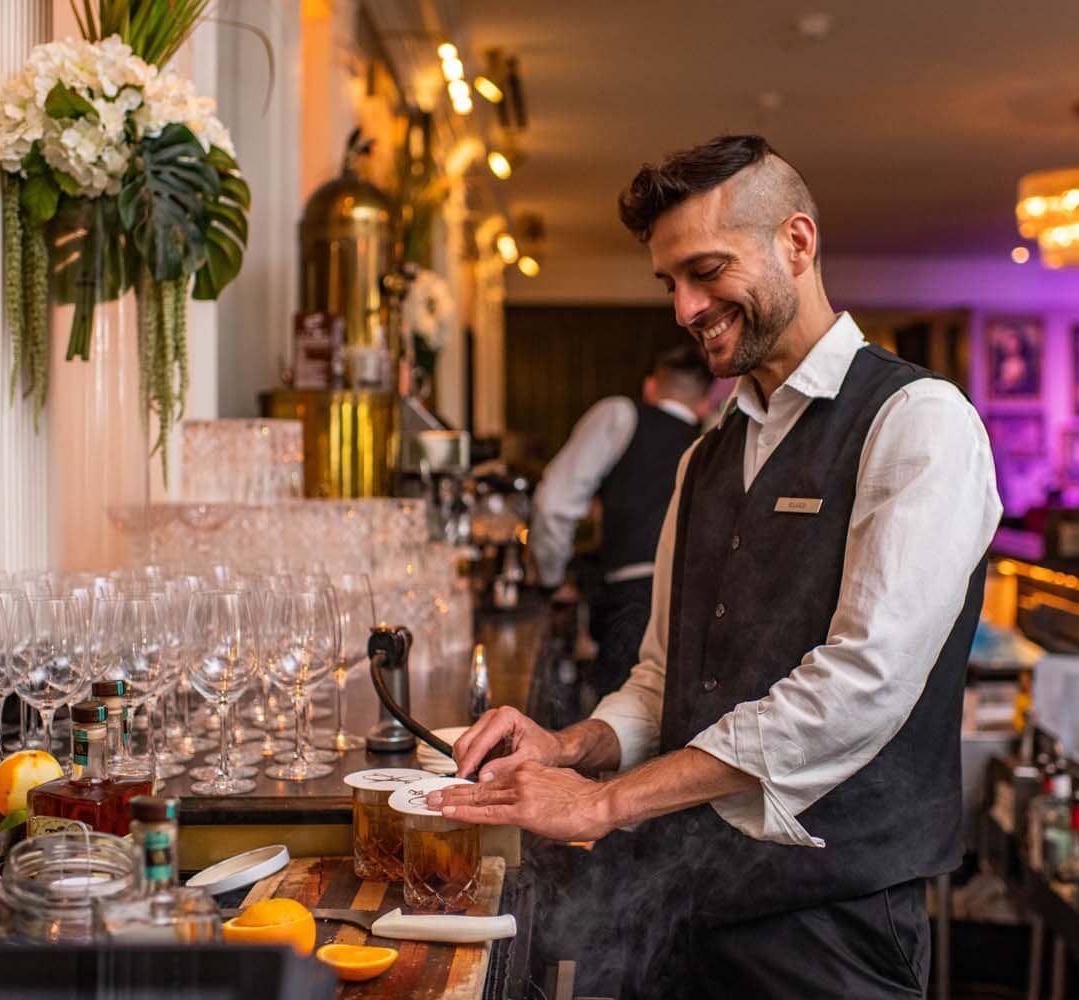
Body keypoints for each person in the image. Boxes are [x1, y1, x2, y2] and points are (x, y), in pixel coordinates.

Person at [429, 134, 1001, 998]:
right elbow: (664, 679)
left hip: (831, 925)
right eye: (670, 283)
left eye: (706, 271)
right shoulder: (705, 456)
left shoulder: (919, 421)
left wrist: (606, 801)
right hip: (682, 903)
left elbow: (862, 683)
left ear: (797, 242)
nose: (685, 308)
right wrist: (573, 745)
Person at [529, 343, 714, 696]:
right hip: (697, 609)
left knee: (618, 721)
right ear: (704, 404)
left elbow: (554, 504)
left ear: (650, 388)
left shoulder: (621, 415)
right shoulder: (716, 439)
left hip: (632, 604)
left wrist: (550, 580)